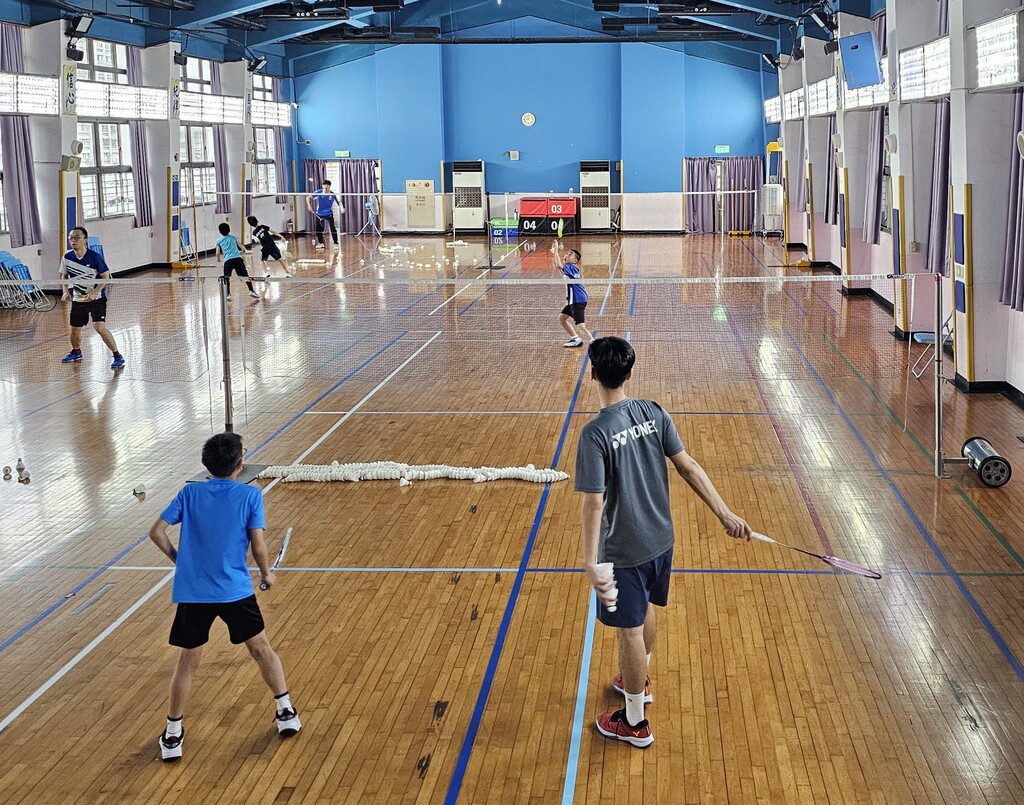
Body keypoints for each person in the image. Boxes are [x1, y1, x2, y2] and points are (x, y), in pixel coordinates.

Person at [574, 336, 751, 748]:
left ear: (593, 374)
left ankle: (634, 722)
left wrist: (590, 558)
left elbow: (594, 502)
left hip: (624, 550)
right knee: (644, 611)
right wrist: (725, 513)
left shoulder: (595, 434)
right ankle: (637, 679)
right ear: (629, 373)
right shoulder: (654, 412)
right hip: (661, 539)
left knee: (629, 632)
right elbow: (688, 466)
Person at [148, 432, 301, 762]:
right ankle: (285, 711)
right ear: (240, 464)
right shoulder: (250, 495)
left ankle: (173, 734)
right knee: (261, 649)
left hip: (194, 593)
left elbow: (156, 532)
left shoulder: (189, 492)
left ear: (206, 464)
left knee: (188, 662)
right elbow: (258, 545)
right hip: (235, 591)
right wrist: (266, 574)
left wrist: (180, 560)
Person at [59, 226, 125, 368]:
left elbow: (106, 277)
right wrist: (65, 291)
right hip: (78, 299)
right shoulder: (67, 257)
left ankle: (117, 355)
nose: (73, 240)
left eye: (77, 237)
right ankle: (76, 352)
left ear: (85, 240)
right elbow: (64, 276)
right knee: (75, 329)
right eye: (71, 238)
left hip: (97, 299)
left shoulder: (95, 257)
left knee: (99, 327)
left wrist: (95, 292)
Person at [552, 245, 593, 348]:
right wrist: (555, 254)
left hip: (577, 300)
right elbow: (558, 267)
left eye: (570, 254)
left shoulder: (571, 267)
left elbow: (558, 265)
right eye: (567, 253)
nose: (567, 254)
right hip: (573, 300)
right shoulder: (571, 269)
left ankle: (594, 342)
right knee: (562, 318)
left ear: (575, 261)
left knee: (581, 326)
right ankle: (575, 339)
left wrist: (556, 249)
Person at [215, 222, 258, 300]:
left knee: (227, 277)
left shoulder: (218, 241)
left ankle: (228, 294)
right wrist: (244, 250)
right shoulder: (234, 238)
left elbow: (217, 252)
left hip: (228, 260)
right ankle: (251, 290)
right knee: (245, 275)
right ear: (229, 230)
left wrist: (218, 259)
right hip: (238, 259)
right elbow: (241, 246)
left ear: (220, 231)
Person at [307, 179, 343, 250]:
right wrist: (309, 206)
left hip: (329, 213)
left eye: (327, 185)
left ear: (330, 186)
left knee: (332, 228)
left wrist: (342, 208)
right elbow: (308, 197)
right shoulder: (319, 192)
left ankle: (336, 243)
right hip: (319, 214)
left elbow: (339, 202)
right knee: (318, 229)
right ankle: (321, 243)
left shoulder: (332, 194)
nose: (326, 186)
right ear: (322, 186)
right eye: (324, 185)